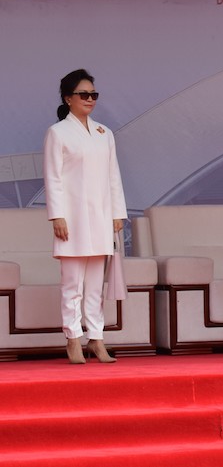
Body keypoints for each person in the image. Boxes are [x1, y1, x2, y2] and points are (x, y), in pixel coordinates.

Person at [43, 69, 127, 364]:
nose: (90, 99)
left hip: (102, 218)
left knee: (95, 284)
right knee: (72, 283)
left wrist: (118, 213)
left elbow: (113, 176)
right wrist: (58, 216)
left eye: (93, 94)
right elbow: (52, 178)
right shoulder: (58, 133)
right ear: (68, 98)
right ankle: (72, 338)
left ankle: (97, 337)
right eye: (83, 94)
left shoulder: (105, 133)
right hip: (73, 219)